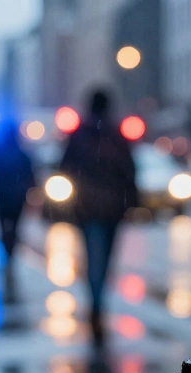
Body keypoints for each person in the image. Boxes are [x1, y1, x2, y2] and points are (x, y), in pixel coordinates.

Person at [58, 89, 138, 344]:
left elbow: (66, 168)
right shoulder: (116, 136)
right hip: (112, 207)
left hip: (89, 207)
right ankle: (98, 301)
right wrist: (130, 201)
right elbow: (129, 171)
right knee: (104, 258)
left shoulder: (81, 135)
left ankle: (96, 302)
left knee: (94, 257)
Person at [0, 111, 36, 302]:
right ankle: (10, 253)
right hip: (16, 198)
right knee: (13, 227)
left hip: (3, 198)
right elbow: (30, 174)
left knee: (4, 226)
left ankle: (7, 252)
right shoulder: (21, 154)